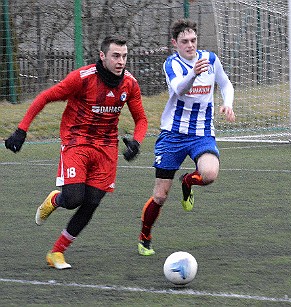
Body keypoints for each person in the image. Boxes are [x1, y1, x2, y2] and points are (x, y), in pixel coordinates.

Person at [4, 36, 148, 269]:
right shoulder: (82, 78)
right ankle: (56, 200)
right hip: (76, 141)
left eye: (124, 56)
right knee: (73, 199)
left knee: (92, 201)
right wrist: (22, 130)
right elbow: (45, 97)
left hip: (106, 147)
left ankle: (57, 252)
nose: (121, 61)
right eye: (116, 56)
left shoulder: (129, 84)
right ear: (103, 56)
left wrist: (137, 143)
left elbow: (141, 119)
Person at [137, 19, 235, 256]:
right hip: (172, 135)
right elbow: (179, 88)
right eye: (184, 42)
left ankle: (188, 182)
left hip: (202, 132)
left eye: (193, 40)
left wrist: (228, 103)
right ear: (175, 43)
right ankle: (145, 236)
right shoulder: (172, 64)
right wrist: (193, 72)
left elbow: (225, 83)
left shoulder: (210, 59)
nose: (190, 45)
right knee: (160, 196)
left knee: (210, 174)